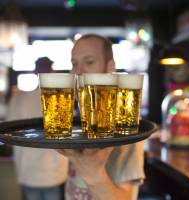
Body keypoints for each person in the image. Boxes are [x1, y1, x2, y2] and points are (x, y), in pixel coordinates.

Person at [58, 34, 145, 200]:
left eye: (89, 62)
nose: (78, 72)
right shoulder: (79, 113)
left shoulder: (124, 121)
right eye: (74, 64)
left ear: (110, 67)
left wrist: (94, 176)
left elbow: (127, 198)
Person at [6, 57, 68, 200]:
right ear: (52, 71)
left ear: (35, 71)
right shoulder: (61, 100)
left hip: (28, 170)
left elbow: (8, 134)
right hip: (54, 171)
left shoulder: (19, 99)